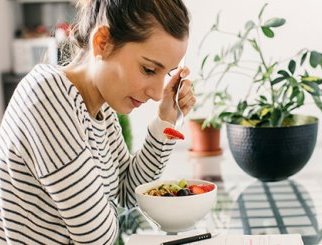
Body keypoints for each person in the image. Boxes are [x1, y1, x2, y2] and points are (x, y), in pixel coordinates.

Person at [0, 0, 195, 244]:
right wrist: (104, 212)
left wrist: (165, 119)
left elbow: (128, 192)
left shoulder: (101, 109)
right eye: (148, 69)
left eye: (166, 73)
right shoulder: (47, 96)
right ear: (103, 42)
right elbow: (96, 236)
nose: (157, 93)